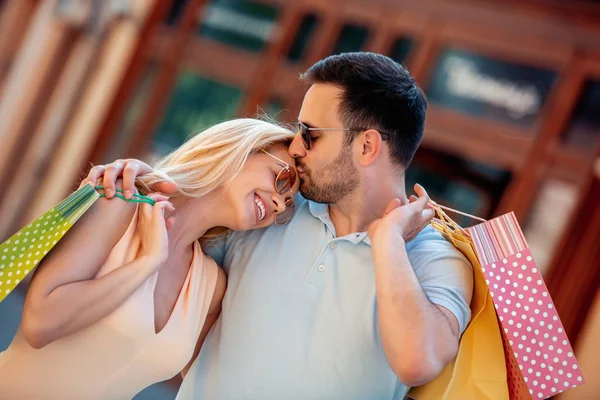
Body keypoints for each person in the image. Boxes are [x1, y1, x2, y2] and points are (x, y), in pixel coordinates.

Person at [85, 52, 474, 400]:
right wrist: (138, 180)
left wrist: (388, 241)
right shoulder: (272, 209)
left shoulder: (437, 258)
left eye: (311, 134)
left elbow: (416, 361)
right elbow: (177, 225)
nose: (296, 147)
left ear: (367, 146)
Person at [0, 118, 299, 400]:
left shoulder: (210, 288)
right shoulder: (118, 205)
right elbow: (39, 325)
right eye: (282, 180)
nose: (278, 203)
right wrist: (147, 263)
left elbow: (221, 385)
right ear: (242, 148)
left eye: (287, 206)